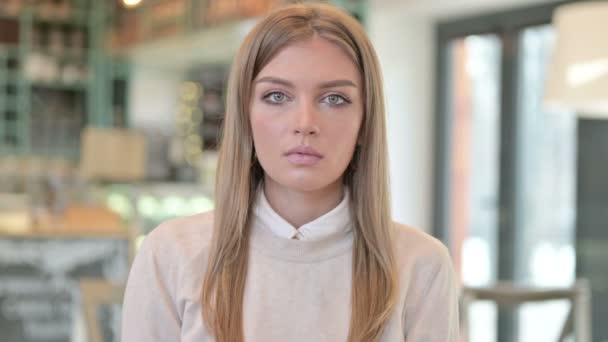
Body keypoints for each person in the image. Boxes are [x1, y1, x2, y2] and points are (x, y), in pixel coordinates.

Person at [121, 3, 459, 342]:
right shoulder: (170, 254)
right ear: (245, 115)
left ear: (365, 123)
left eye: (335, 99)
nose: (305, 124)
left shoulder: (420, 266)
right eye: (277, 96)